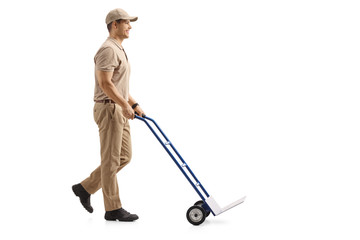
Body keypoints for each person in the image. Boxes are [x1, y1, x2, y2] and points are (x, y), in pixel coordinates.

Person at [72, 8, 145, 222]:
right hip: (109, 109)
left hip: (119, 108)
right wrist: (123, 104)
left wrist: (134, 103)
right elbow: (105, 83)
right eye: (127, 23)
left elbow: (118, 84)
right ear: (115, 24)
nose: (130, 26)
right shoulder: (108, 49)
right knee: (111, 160)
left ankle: (85, 188)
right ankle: (113, 209)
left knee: (124, 156)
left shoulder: (118, 49)